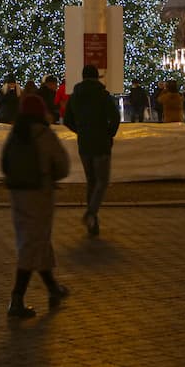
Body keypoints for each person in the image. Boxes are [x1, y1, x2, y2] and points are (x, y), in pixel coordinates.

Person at [3, 95, 70, 317]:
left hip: (17, 193)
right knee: (34, 243)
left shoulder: (15, 133)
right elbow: (62, 165)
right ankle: (17, 298)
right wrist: (49, 175)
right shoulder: (43, 133)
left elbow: (4, 163)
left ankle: (52, 288)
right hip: (39, 192)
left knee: (35, 240)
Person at [63, 64, 121, 238]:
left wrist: (80, 131)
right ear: (97, 77)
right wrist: (109, 133)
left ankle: (93, 223)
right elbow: (115, 117)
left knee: (91, 181)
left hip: (84, 143)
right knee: (102, 181)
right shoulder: (103, 95)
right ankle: (91, 213)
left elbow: (67, 120)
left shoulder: (75, 96)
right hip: (101, 142)